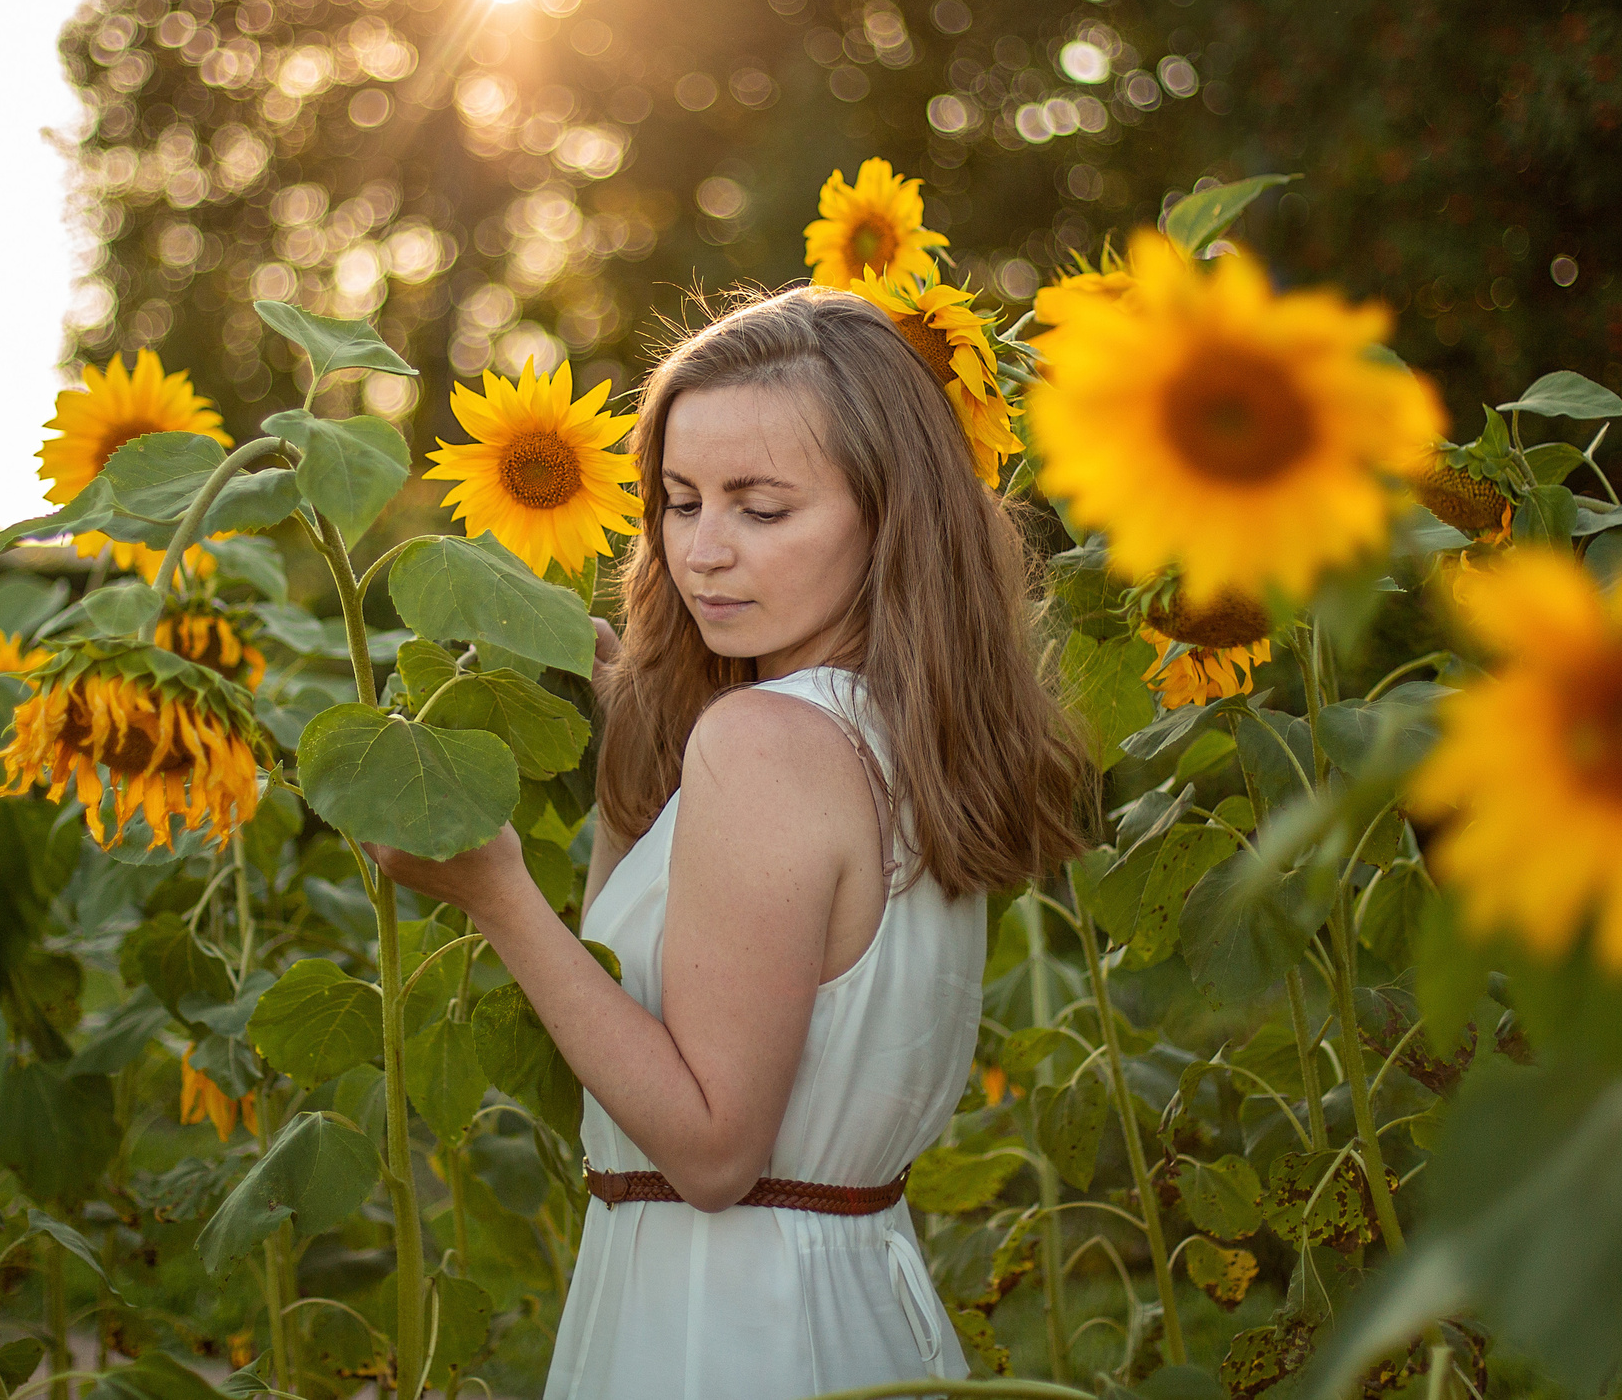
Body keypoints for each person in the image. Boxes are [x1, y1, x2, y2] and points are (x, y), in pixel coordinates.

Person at [370, 286, 1091, 1398]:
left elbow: (707, 1150)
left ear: (887, 514)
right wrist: (630, 773)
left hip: (721, 1329)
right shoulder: (894, 736)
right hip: (848, 1305)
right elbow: (643, 1032)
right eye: (679, 500)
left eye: (761, 510)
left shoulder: (764, 745)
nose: (703, 552)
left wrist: (497, 897)